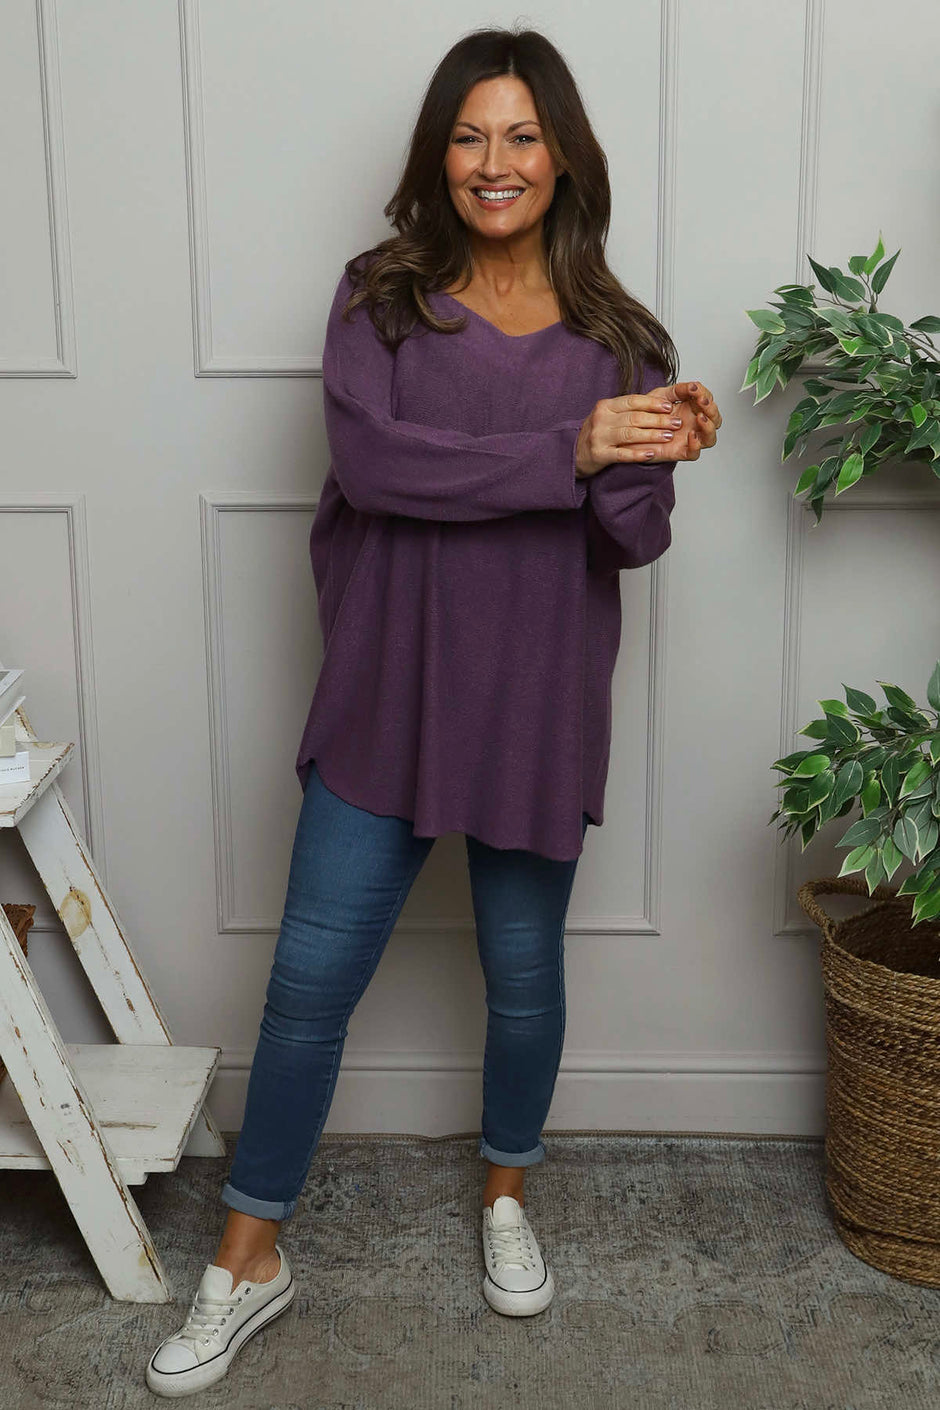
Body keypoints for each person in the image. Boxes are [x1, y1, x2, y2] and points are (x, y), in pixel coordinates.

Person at [146, 24, 721, 1398]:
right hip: (388, 693)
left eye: (521, 135)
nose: (493, 161)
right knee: (307, 987)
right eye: (468, 135)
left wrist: (655, 448)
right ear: (437, 154)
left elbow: (634, 539)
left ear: (564, 155)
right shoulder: (382, 298)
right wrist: (573, 446)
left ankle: (507, 1195)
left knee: (525, 982)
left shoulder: (624, 341)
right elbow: (378, 465)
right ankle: (247, 1259)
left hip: (533, 700)